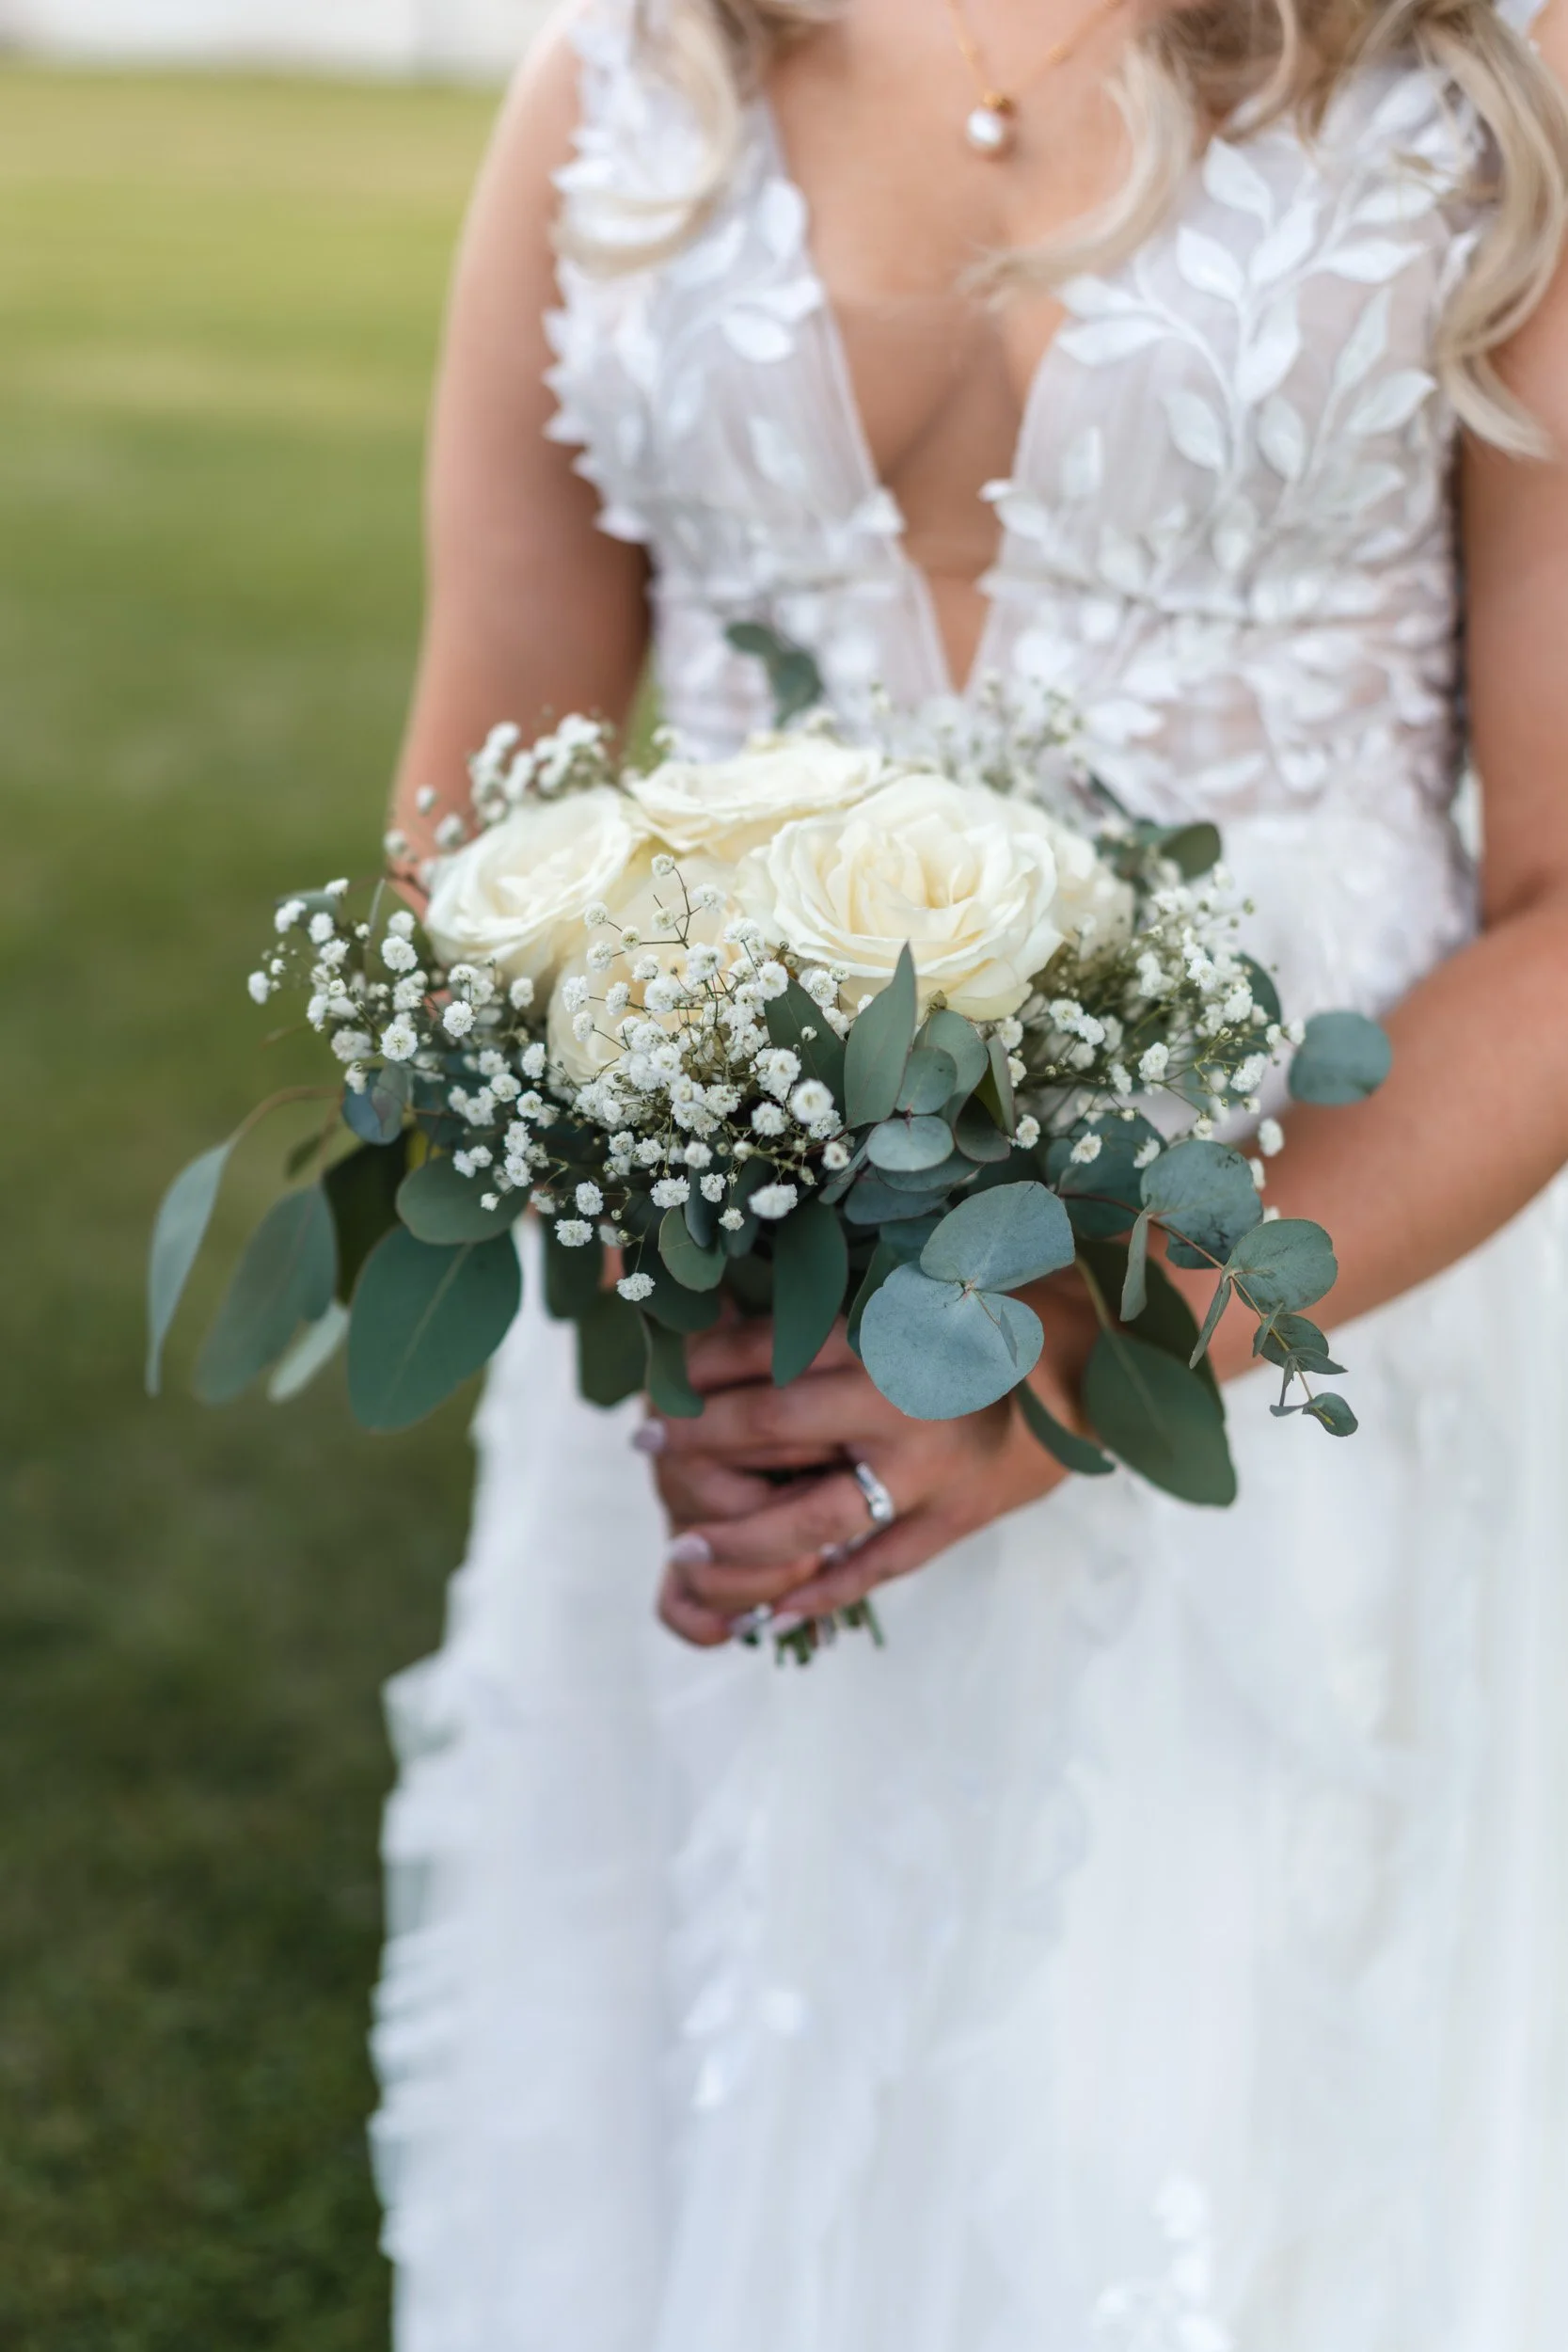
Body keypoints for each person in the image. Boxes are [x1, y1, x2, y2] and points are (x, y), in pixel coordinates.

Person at [370, 0, 1568, 2343]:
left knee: (1227, 2082)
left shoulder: (1474, 88)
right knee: (729, 2027)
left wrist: (1073, 1351)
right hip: (734, 1320)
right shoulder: (619, 86)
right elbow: (471, 816)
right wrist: (672, 1230)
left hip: (1314, 1265)